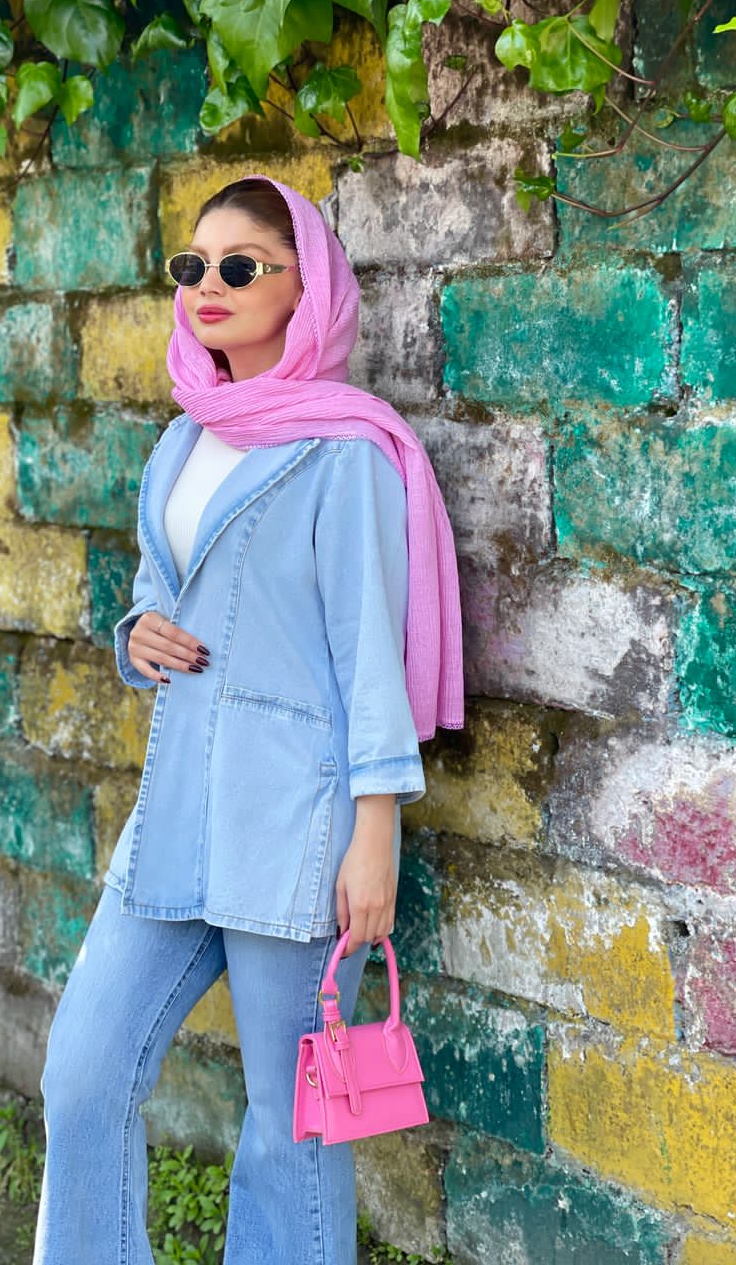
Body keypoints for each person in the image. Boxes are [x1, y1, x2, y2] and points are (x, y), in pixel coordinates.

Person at [32, 175, 464, 1265]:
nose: (206, 286)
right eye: (192, 266)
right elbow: (164, 585)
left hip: (300, 830)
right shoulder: (183, 440)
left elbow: (369, 648)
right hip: (176, 815)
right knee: (83, 1072)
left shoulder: (347, 452)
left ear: (304, 286)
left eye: (239, 266)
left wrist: (377, 829)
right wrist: (138, 630)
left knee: (292, 1128)